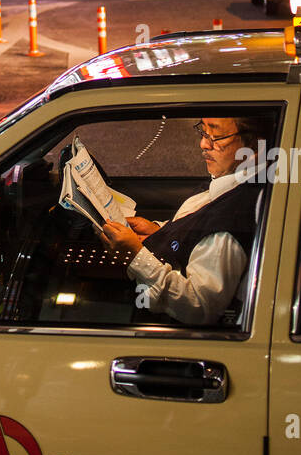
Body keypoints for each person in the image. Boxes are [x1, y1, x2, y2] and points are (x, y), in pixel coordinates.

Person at [102, 115, 266, 327]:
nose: (204, 143)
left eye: (217, 136)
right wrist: (159, 231)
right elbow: (195, 235)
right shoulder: (230, 183)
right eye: (203, 131)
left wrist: (136, 254)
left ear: (253, 147)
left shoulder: (228, 228)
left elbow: (199, 306)